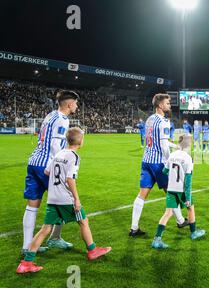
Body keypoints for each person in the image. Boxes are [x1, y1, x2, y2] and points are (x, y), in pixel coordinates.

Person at [16, 128, 112, 273]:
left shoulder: (58, 153)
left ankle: (26, 263)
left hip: (52, 198)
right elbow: (69, 179)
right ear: (80, 141)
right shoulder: (74, 156)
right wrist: (76, 199)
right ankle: (92, 250)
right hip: (66, 199)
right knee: (83, 221)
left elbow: (47, 172)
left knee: (45, 229)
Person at [22, 90, 79, 255]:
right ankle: (54, 238)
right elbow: (55, 146)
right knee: (64, 200)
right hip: (47, 166)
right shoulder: (62, 120)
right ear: (69, 104)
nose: (76, 106)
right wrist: (61, 165)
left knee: (32, 205)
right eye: (75, 103)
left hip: (34, 162)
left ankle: (27, 246)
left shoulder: (50, 115)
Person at [129, 94, 188, 237]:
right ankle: (180, 221)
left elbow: (162, 141)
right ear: (160, 105)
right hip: (158, 163)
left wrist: (175, 146)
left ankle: (134, 228)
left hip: (146, 161)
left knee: (142, 194)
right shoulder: (164, 122)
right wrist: (170, 161)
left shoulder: (150, 119)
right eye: (167, 103)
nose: (169, 105)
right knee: (171, 192)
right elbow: (163, 145)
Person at [151, 134, 206, 249]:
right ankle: (193, 232)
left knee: (168, 213)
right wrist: (188, 197)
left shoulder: (172, 155)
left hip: (170, 189)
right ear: (188, 144)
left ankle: (157, 239)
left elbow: (164, 171)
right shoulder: (188, 158)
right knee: (191, 208)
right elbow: (188, 179)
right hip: (182, 189)